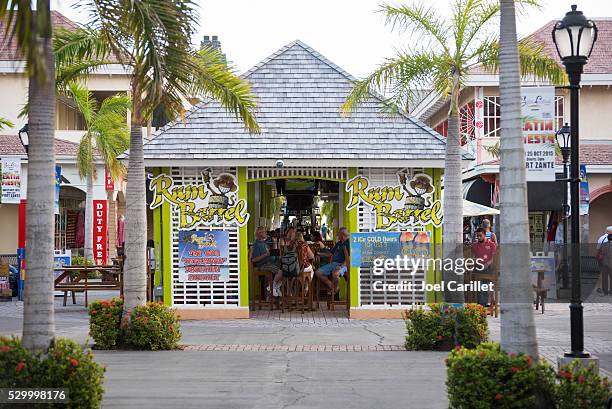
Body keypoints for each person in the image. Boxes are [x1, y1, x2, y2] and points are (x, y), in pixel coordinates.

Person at [315, 227, 349, 294]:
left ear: (342, 235)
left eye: (338, 234)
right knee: (318, 272)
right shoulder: (339, 243)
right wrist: (320, 254)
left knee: (335, 274)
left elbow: (349, 258)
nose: (337, 235)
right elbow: (330, 254)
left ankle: (336, 289)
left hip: (343, 265)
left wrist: (341, 266)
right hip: (333, 264)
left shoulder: (348, 243)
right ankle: (332, 286)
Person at [250, 226, 282, 297]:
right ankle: (273, 287)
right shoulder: (256, 244)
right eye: (264, 231)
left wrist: (274, 244)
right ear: (260, 233)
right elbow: (254, 259)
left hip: (272, 262)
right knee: (281, 271)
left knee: (286, 268)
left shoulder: (264, 242)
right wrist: (266, 254)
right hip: (264, 265)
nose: (266, 233)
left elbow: (274, 253)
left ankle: (273, 287)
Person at [471, 227, 497, 305]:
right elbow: (472, 257)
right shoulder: (474, 245)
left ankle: (483, 303)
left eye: (480, 236)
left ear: (485, 235)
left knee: (483, 284)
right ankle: (482, 303)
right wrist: (475, 261)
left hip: (488, 268)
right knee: (479, 284)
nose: (479, 237)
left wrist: (488, 263)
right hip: (478, 268)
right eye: (477, 236)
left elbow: (494, 259)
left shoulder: (492, 245)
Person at [596, 226, 612, 295]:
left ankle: (604, 290)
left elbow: (598, 249)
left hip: (603, 261)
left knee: (603, 276)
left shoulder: (601, 238)